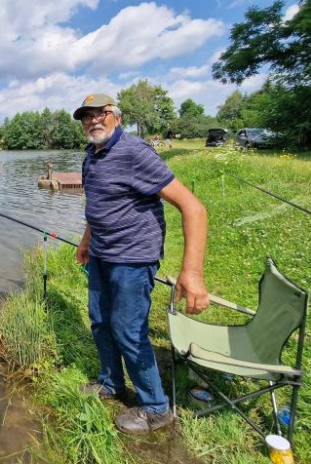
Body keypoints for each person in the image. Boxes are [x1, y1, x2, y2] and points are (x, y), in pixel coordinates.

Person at [72, 93, 209, 434]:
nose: (93, 121)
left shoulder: (135, 153)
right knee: (101, 322)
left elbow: (194, 208)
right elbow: (98, 202)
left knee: (128, 331)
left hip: (134, 258)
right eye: (86, 116)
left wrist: (191, 273)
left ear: (116, 116)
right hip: (102, 254)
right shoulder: (91, 155)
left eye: (100, 113)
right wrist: (87, 241)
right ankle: (111, 383)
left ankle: (156, 408)